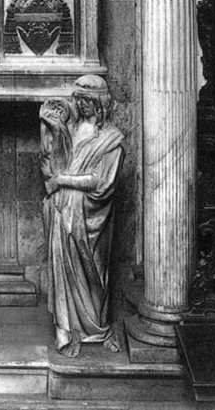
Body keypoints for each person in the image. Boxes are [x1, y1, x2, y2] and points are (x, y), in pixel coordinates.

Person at [40, 74, 125, 357]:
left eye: (89, 101)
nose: (84, 106)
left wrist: (62, 180)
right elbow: (54, 162)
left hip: (90, 216)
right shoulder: (72, 130)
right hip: (63, 209)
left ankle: (95, 328)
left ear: (101, 104)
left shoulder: (112, 140)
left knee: (92, 273)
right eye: (80, 101)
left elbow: (101, 183)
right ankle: (67, 329)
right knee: (63, 269)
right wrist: (52, 130)